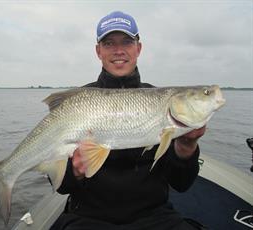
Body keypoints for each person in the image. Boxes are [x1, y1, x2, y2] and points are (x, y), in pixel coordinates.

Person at [50, 11, 207, 230]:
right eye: (109, 43)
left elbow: (181, 183)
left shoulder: (163, 102)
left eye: (127, 41)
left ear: (138, 48)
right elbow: (60, 187)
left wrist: (187, 145)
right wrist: (73, 171)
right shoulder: (77, 102)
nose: (119, 50)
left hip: (154, 217)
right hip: (89, 217)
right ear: (98, 51)